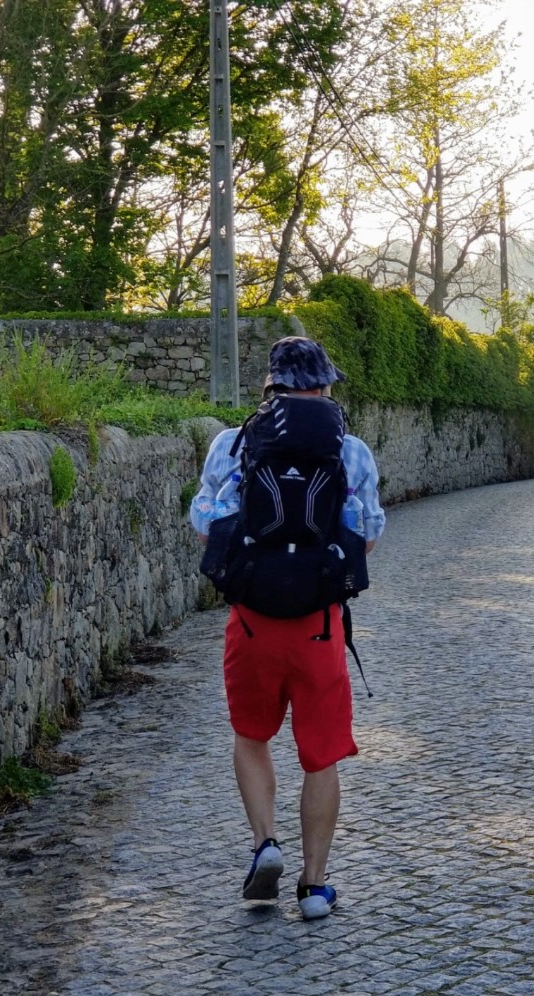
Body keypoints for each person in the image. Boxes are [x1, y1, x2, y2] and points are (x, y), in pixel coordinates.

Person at [189, 336, 386, 918]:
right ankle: (315, 885)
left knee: (252, 737)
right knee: (320, 757)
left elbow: (206, 523)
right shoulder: (351, 451)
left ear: (268, 387)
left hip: (250, 623)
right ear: (325, 387)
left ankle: (264, 844)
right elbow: (367, 534)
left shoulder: (232, 443)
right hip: (319, 627)